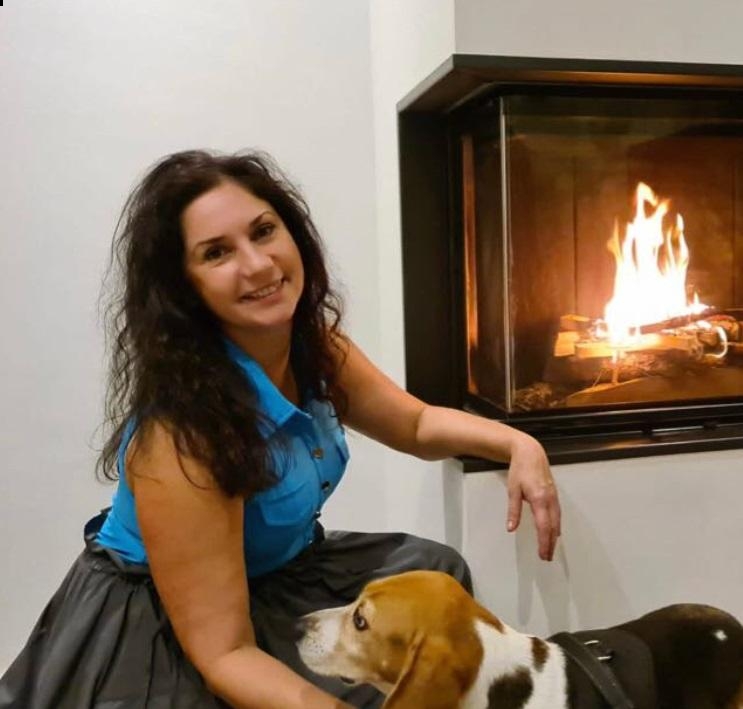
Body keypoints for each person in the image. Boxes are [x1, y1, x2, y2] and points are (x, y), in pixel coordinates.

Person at [0, 150, 561, 709]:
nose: (258, 265)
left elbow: (414, 425)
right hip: (165, 629)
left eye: (263, 231)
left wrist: (519, 443)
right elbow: (225, 654)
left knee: (436, 576)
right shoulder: (180, 438)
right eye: (217, 253)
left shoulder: (314, 347)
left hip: (277, 577)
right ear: (183, 287)